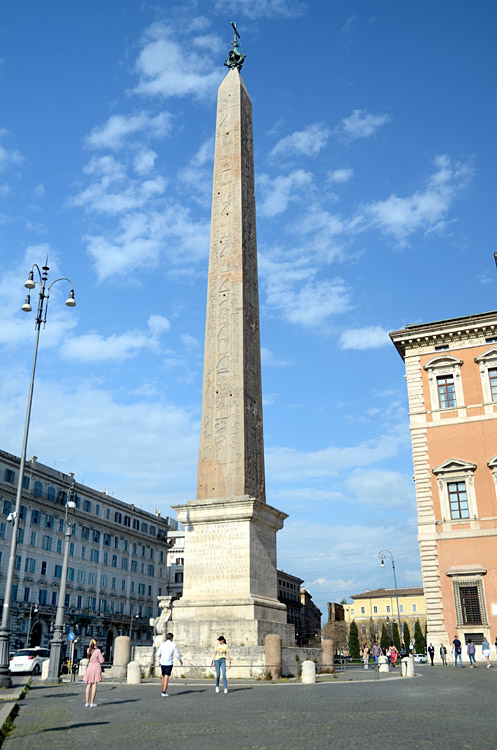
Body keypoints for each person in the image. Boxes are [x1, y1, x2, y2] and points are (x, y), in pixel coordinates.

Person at [157, 632, 183, 697]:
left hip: (162, 662)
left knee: (163, 677)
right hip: (169, 662)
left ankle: (162, 690)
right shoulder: (173, 645)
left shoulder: (162, 644)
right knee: (166, 677)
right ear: (171, 638)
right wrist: (180, 660)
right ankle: (164, 692)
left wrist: (160, 657)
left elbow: (158, 653)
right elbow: (177, 654)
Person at [83, 638, 104, 707]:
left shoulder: (88, 650)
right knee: (94, 684)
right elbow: (101, 661)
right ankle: (92, 702)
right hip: (95, 667)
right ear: (96, 643)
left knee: (88, 684)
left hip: (89, 667)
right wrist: (102, 655)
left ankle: (86, 702)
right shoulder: (98, 651)